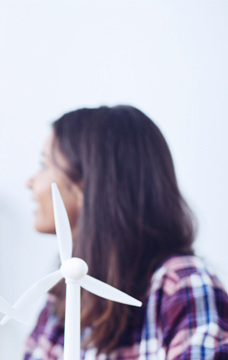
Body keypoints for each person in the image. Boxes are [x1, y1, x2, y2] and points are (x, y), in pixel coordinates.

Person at [24, 105, 228, 359]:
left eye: (43, 165)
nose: (30, 181)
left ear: (87, 183)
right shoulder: (62, 295)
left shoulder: (182, 285)